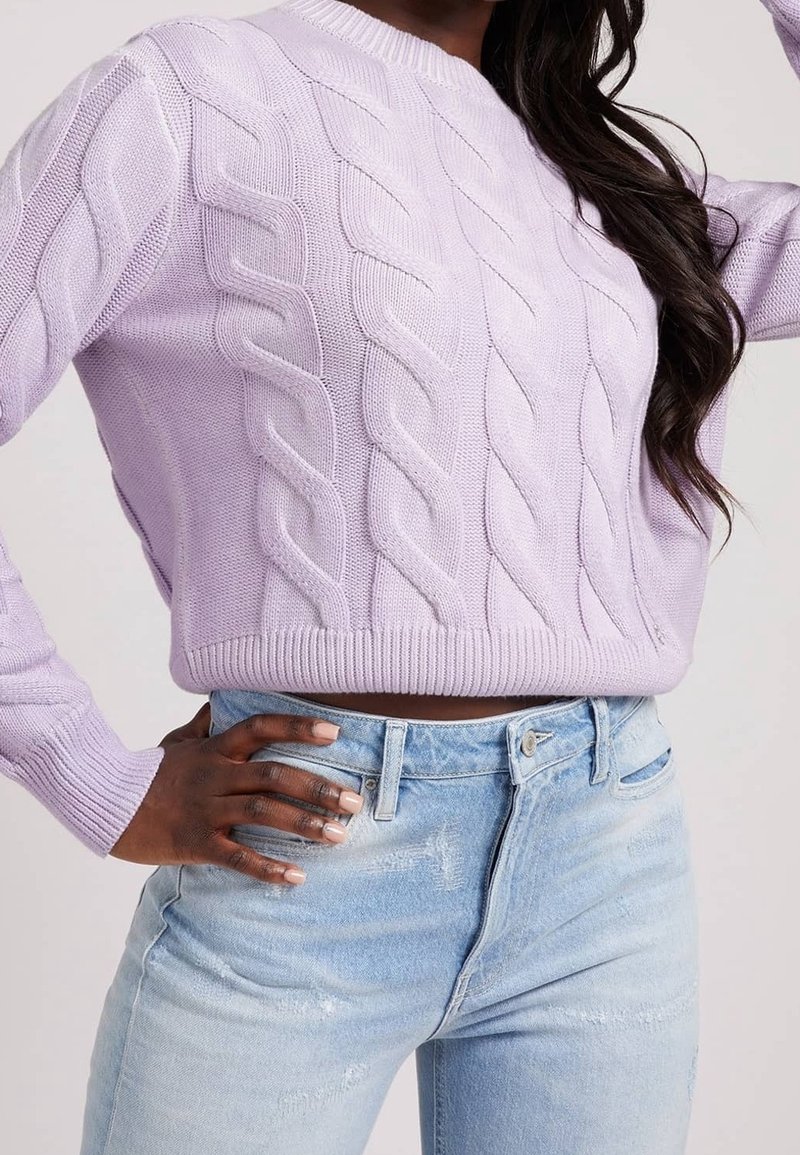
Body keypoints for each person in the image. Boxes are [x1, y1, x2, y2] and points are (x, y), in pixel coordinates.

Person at [0, 0, 797, 1151]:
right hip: (302, 853)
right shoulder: (183, 97)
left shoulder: (608, 173)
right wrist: (92, 775)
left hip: (603, 857)